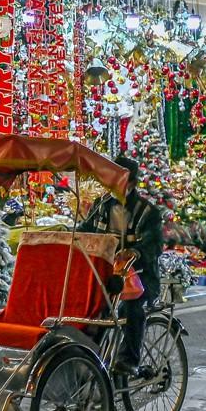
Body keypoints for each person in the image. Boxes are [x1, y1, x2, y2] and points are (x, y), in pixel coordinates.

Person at [80, 155, 164, 375]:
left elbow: (154, 246)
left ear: (132, 183)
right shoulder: (102, 206)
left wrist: (135, 251)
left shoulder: (148, 213)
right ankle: (89, 359)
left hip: (140, 279)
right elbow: (85, 230)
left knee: (130, 308)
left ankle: (129, 360)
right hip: (108, 276)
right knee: (89, 307)